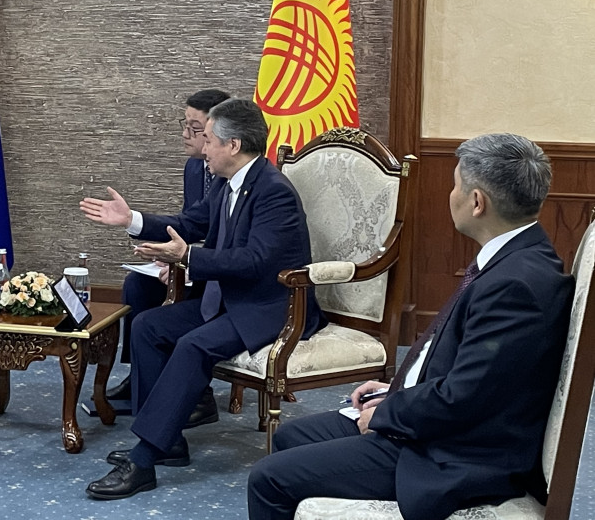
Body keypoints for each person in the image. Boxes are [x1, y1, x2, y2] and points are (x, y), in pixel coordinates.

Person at [247, 133, 574, 520]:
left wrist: (389, 413)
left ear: (476, 202)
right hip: (445, 420)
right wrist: (397, 390)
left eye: (455, 185)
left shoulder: (516, 285)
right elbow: (478, 370)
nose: (450, 194)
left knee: (267, 479)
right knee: (290, 435)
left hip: (455, 452)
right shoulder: (518, 258)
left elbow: (464, 397)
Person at [80, 98, 327, 500]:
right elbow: (189, 223)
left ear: (233, 145)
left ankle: (144, 459)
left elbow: (255, 261)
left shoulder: (273, 192)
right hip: (232, 300)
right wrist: (132, 220)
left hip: (271, 307)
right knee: (148, 326)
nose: (203, 147)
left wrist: (189, 256)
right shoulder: (227, 184)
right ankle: (169, 440)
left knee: (194, 344)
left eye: (209, 139)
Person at [109, 88, 231, 414]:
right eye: (186, 124)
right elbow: (190, 223)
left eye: (195, 128)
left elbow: (230, 243)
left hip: (220, 270)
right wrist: (133, 221)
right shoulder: (194, 168)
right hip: (196, 259)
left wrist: (186, 262)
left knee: (155, 318)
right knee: (137, 284)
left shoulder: (240, 178)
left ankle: (197, 394)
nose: (185, 134)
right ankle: (140, 377)